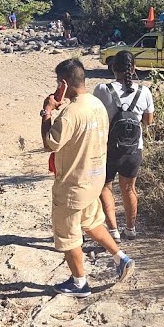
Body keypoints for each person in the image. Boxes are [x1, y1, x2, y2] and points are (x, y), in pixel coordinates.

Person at [42, 58, 136, 297]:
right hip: (94, 178)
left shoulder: (71, 112)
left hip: (73, 184)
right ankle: (121, 258)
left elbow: (49, 143)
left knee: (69, 234)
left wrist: (47, 111)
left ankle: (79, 282)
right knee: (92, 222)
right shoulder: (96, 104)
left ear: (63, 84)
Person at [94, 51, 154, 240]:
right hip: (134, 149)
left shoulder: (102, 89)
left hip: (108, 148)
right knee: (129, 189)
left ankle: (113, 230)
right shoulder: (144, 92)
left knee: (105, 187)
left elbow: (96, 116)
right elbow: (148, 122)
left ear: (113, 68)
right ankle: (130, 228)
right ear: (134, 68)